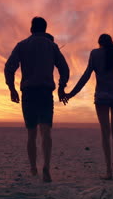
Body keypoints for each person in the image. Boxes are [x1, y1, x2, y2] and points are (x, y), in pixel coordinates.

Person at [4, 17, 69, 182]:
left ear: (32, 28)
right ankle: (46, 165)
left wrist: (11, 89)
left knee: (31, 133)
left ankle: (33, 168)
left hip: (29, 92)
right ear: (45, 29)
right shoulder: (52, 46)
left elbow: (9, 67)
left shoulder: (22, 45)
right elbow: (64, 68)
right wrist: (62, 87)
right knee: (46, 131)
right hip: (45, 92)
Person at [65, 34, 113, 180]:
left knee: (105, 133)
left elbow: (86, 76)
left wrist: (72, 93)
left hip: (102, 95)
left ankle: (109, 171)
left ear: (99, 44)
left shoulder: (95, 53)